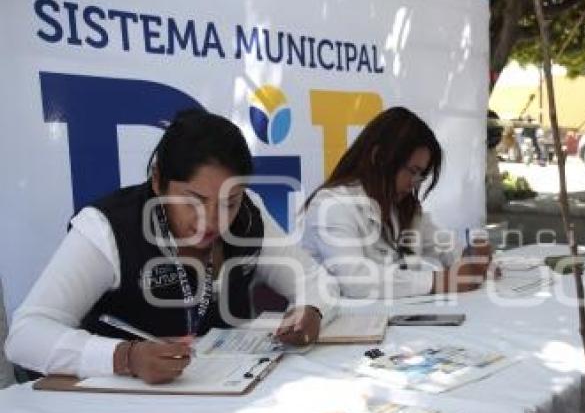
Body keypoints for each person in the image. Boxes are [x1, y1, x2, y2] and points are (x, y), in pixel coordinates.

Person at [7, 110, 339, 385]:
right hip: (121, 412)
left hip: (226, 398)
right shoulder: (107, 227)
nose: (211, 221)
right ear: (158, 180)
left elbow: (312, 278)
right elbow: (26, 334)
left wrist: (311, 310)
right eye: (194, 200)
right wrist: (124, 357)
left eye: (230, 202)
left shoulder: (250, 215)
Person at [301, 106, 493, 299]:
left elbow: (443, 245)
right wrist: (443, 281)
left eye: (421, 175)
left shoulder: (402, 207)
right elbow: (357, 282)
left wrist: (473, 259)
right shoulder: (332, 205)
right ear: (378, 157)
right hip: (345, 325)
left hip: (392, 320)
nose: (414, 183)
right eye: (412, 171)